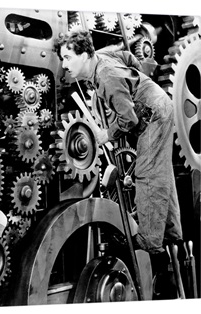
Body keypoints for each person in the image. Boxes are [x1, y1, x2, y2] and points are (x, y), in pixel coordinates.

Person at [57, 29, 183, 274]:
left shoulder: (105, 76)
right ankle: (172, 234)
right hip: (157, 106)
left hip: (153, 115)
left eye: (68, 57)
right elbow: (129, 58)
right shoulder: (102, 58)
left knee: (148, 174)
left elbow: (129, 119)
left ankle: (149, 242)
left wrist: (107, 133)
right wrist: (137, 84)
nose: (64, 65)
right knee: (162, 174)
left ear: (83, 54)